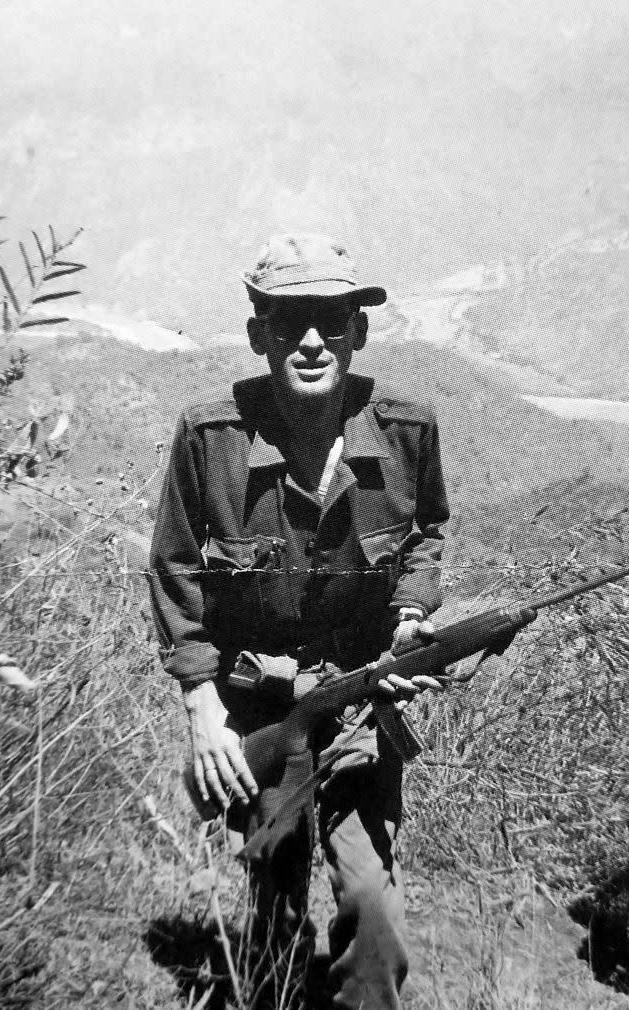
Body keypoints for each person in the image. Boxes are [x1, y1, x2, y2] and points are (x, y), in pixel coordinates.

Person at [148, 233, 450, 1009]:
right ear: (260, 334)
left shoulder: (407, 431)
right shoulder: (210, 439)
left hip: (357, 702)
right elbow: (176, 567)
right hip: (260, 705)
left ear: (359, 330)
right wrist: (201, 708)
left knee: (373, 914)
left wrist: (412, 615)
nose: (312, 340)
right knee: (276, 896)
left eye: (331, 318)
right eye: (290, 322)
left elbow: (424, 533)